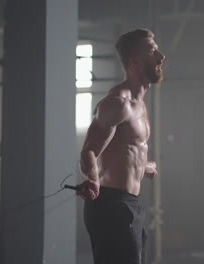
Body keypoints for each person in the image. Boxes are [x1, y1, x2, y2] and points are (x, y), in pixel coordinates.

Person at [76, 28, 165, 264]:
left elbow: (123, 153)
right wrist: (92, 179)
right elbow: (89, 151)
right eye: (153, 51)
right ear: (135, 62)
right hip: (112, 206)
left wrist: (143, 166)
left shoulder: (140, 105)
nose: (161, 57)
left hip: (129, 205)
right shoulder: (118, 103)